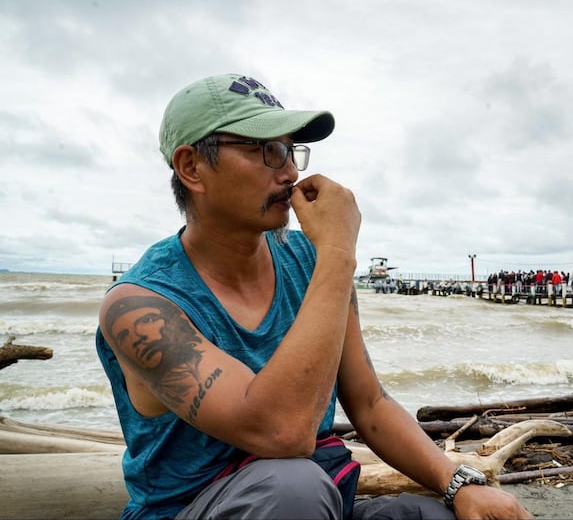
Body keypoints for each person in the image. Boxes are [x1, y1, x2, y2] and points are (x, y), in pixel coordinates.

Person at [95, 74, 531, 520]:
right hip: (203, 509)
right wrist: (339, 253)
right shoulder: (139, 307)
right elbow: (283, 433)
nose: (290, 172)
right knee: (292, 487)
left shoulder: (307, 259)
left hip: (319, 502)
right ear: (191, 168)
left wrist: (457, 484)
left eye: (290, 150)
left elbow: (370, 403)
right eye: (266, 151)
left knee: (439, 517)